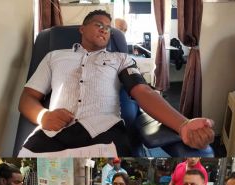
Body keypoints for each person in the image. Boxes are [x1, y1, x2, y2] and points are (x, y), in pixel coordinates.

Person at [18, 10, 214, 156]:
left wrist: (183, 124)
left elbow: (142, 91)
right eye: (98, 25)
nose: (104, 30)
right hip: (51, 134)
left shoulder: (121, 59)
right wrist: (43, 116)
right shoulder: (55, 57)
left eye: (108, 28)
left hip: (105, 133)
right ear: (82, 29)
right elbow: (28, 97)